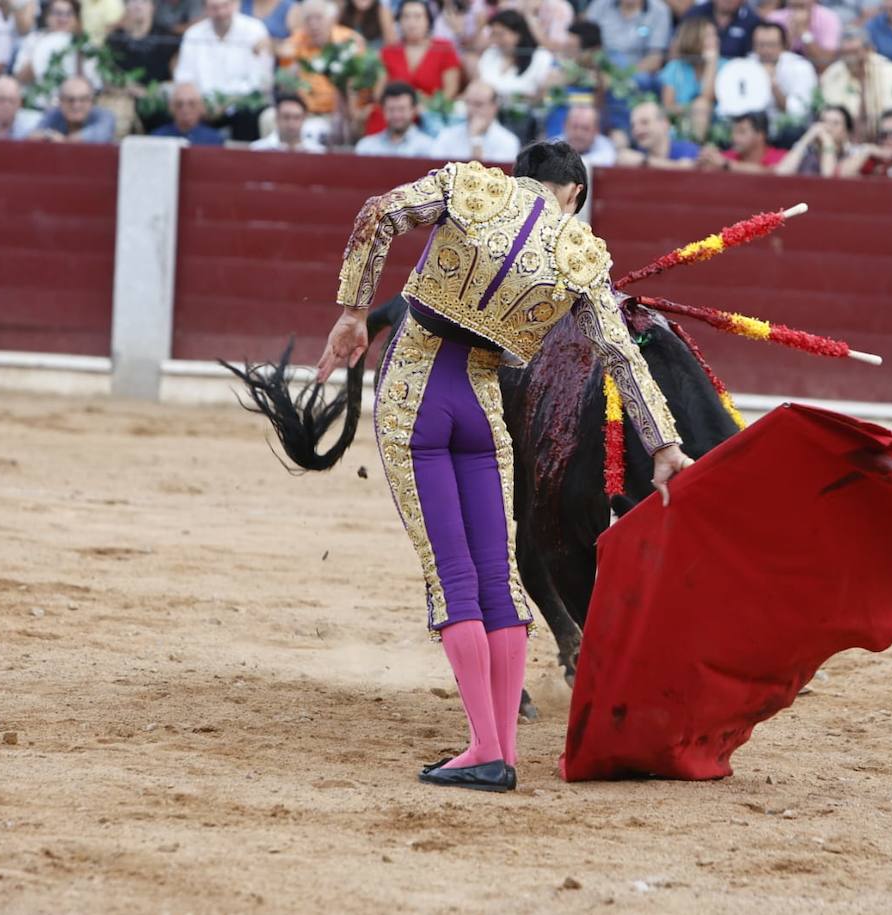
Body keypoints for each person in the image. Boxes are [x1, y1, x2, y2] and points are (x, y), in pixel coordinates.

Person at [235, 142, 689, 794]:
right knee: (497, 576)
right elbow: (621, 355)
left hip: (418, 388)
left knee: (452, 575)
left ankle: (484, 749)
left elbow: (377, 213)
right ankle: (500, 747)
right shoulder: (581, 253)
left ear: (518, 176)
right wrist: (665, 445)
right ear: (575, 195)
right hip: (483, 405)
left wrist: (352, 311)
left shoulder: (474, 188)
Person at [174, 0, 273, 140]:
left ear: (236, 5)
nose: (220, 13)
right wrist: (199, 103)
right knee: (178, 110)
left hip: (241, 103)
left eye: (225, 6)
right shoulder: (193, 34)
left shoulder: (255, 29)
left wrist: (228, 101)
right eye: (214, 8)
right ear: (205, 9)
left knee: (249, 114)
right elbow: (184, 77)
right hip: (203, 105)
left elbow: (261, 80)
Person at [366, 0, 460, 136]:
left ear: (428, 21)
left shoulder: (444, 48)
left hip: (431, 111)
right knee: (376, 114)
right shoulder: (388, 52)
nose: (412, 23)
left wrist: (427, 107)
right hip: (396, 112)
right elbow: (379, 93)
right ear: (399, 21)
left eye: (417, 17)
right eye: (406, 17)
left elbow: (450, 90)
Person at [277, 0, 365, 123]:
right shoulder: (294, 43)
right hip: (303, 114)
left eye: (319, 18)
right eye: (308, 19)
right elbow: (284, 86)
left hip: (341, 112)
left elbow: (360, 85)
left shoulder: (350, 41)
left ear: (331, 19)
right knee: (270, 117)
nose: (313, 25)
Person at [820, 24, 892, 140]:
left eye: (854, 52)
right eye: (845, 53)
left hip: (884, 137)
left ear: (869, 49)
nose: (850, 58)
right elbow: (832, 115)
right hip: (844, 139)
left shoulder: (888, 70)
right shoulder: (832, 74)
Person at [14, 0, 101, 109]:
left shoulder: (84, 46)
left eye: (69, 14)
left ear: (76, 19)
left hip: (74, 110)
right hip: (37, 109)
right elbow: (18, 79)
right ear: (47, 17)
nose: (63, 19)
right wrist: (39, 55)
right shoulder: (33, 40)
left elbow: (93, 86)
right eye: (57, 13)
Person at [659, 17, 719, 142]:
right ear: (694, 38)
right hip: (680, 124)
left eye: (715, 35)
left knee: (701, 105)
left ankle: (695, 149)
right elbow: (668, 108)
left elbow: (707, 97)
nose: (716, 40)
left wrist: (711, 64)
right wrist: (692, 108)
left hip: (717, 124)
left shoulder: (724, 66)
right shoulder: (675, 67)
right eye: (709, 36)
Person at [429, 79, 520, 160]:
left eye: (478, 104)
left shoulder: (508, 142)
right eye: (468, 103)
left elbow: (491, 176)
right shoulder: (447, 136)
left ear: (494, 107)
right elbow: (434, 170)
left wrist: (476, 139)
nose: (471, 110)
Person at [477, 9, 554, 102]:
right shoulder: (490, 53)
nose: (496, 40)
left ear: (518, 34)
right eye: (493, 34)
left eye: (501, 35)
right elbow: (480, 84)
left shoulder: (541, 57)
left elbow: (543, 95)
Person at [749, 20, 817, 123]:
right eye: (761, 45)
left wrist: (773, 85)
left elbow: (799, 112)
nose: (766, 50)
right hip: (754, 126)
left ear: (783, 46)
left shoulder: (801, 67)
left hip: (789, 128)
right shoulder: (746, 65)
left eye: (771, 45)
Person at [585, 0, 670, 75]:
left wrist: (624, 76)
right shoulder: (599, 4)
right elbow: (585, 44)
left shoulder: (660, 10)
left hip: (638, 73)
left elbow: (655, 58)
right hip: (600, 69)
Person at [107, 0, 180, 84]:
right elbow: (110, 73)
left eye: (144, 1)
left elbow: (176, 74)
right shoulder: (115, 38)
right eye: (133, 1)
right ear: (126, 7)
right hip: (123, 92)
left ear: (153, 7)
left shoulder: (167, 38)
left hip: (160, 92)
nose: (138, 6)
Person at [355, 80, 435, 155]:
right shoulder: (366, 147)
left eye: (401, 109)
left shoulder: (428, 148)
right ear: (383, 110)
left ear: (413, 110)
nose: (396, 115)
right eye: (391, 109)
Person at [28, 74, 118, 141]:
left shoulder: (104, 116)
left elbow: (100, 136)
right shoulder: (55, 114)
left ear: (91, 101)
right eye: (70, 100)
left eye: (83, 99)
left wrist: (63, 140)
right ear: (60, 101)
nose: (76, 105)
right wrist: (49, 135)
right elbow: (32, 136)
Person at [615, 99, 699, 167]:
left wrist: (644, 161)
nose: (637, 130)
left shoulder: (687, 149)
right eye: (633, 126)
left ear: (664, 124)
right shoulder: (636, 154)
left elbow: (686, 169)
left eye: (645, 122)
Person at [775, 103, 856, 174]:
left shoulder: (852, 155)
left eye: (835, 123)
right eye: (824, 121)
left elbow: (829, 177)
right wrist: (806, 138)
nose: (828, 127)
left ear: (846, 132)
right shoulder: (807, 152)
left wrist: (827, 142)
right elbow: (781, 172)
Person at [699, 109, 787, 171]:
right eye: (733, 132)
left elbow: (771, 173)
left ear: (760, 135)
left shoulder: (782, 158)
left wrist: (726, 165)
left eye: (741, 132)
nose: (734, 137)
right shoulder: (729, 156)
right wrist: (706, 159)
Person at [765, 0, 840, 69]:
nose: (797, 12)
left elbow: (825, 63)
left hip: (818, 74)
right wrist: (790, 36)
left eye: (801, 6)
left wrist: (804, 33)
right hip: (782, 72)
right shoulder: (774, 18)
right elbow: (770, 58)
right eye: (794, 6)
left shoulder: (829, 18)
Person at [150, 79, 226, 142]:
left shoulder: (214, 139)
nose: (185, 109)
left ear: (201, 108)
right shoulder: (158, 138)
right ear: (171, 108)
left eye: (191, 104)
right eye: (179, 104)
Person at [686, 0, 763, 59]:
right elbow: (681, 46)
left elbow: (755, 54)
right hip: (695, 68)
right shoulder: (695, 14)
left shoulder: (752, 20)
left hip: (737, 73)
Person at [251, 92, 323, 149]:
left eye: (296, 117)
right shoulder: (256, 149)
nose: (291, 123)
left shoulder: (317, 152)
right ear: (276, 118)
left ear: (304, 119)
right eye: (286, 117)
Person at [557, 101, 616, 165]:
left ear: (596, 131)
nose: (578, 133)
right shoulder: (554, 145)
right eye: (574, 127)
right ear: (564, 126)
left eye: (585, 128)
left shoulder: (606, 148)